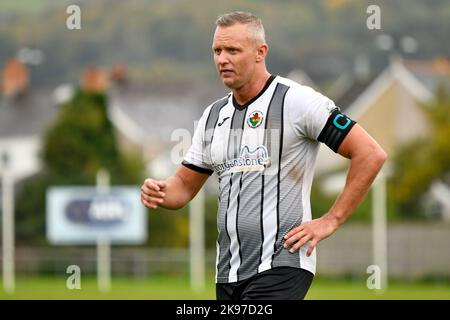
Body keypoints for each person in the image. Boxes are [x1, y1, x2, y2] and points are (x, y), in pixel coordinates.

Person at [140, 11, 387, 300]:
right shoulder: (213, 116)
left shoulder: (297, 101)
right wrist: (159, 190)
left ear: (261, 52)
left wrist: (331, 219)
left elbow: (370, 153)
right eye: (217, 51)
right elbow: (182, 186)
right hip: (228, 271)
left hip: (282, 263)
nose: (222, 59)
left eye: (233, 50)